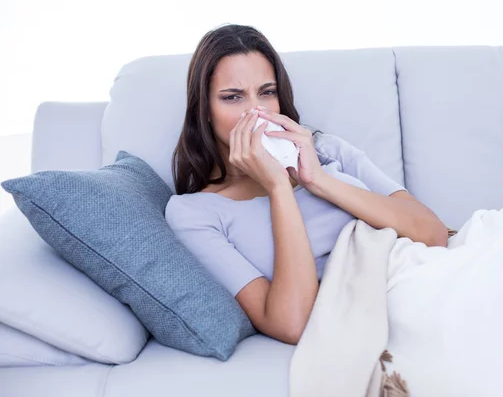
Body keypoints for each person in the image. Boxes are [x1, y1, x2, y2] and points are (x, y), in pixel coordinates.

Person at [165, 24, 448, 345]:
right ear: (203, 110)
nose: (255, 112)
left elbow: (433, 233)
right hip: (381, 305)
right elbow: (292, 323)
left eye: (267, 93)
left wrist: (318, 180)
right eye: (232, 97)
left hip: (424, 272)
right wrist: (278, 188)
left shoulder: (324, 151)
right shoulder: (194, 213)